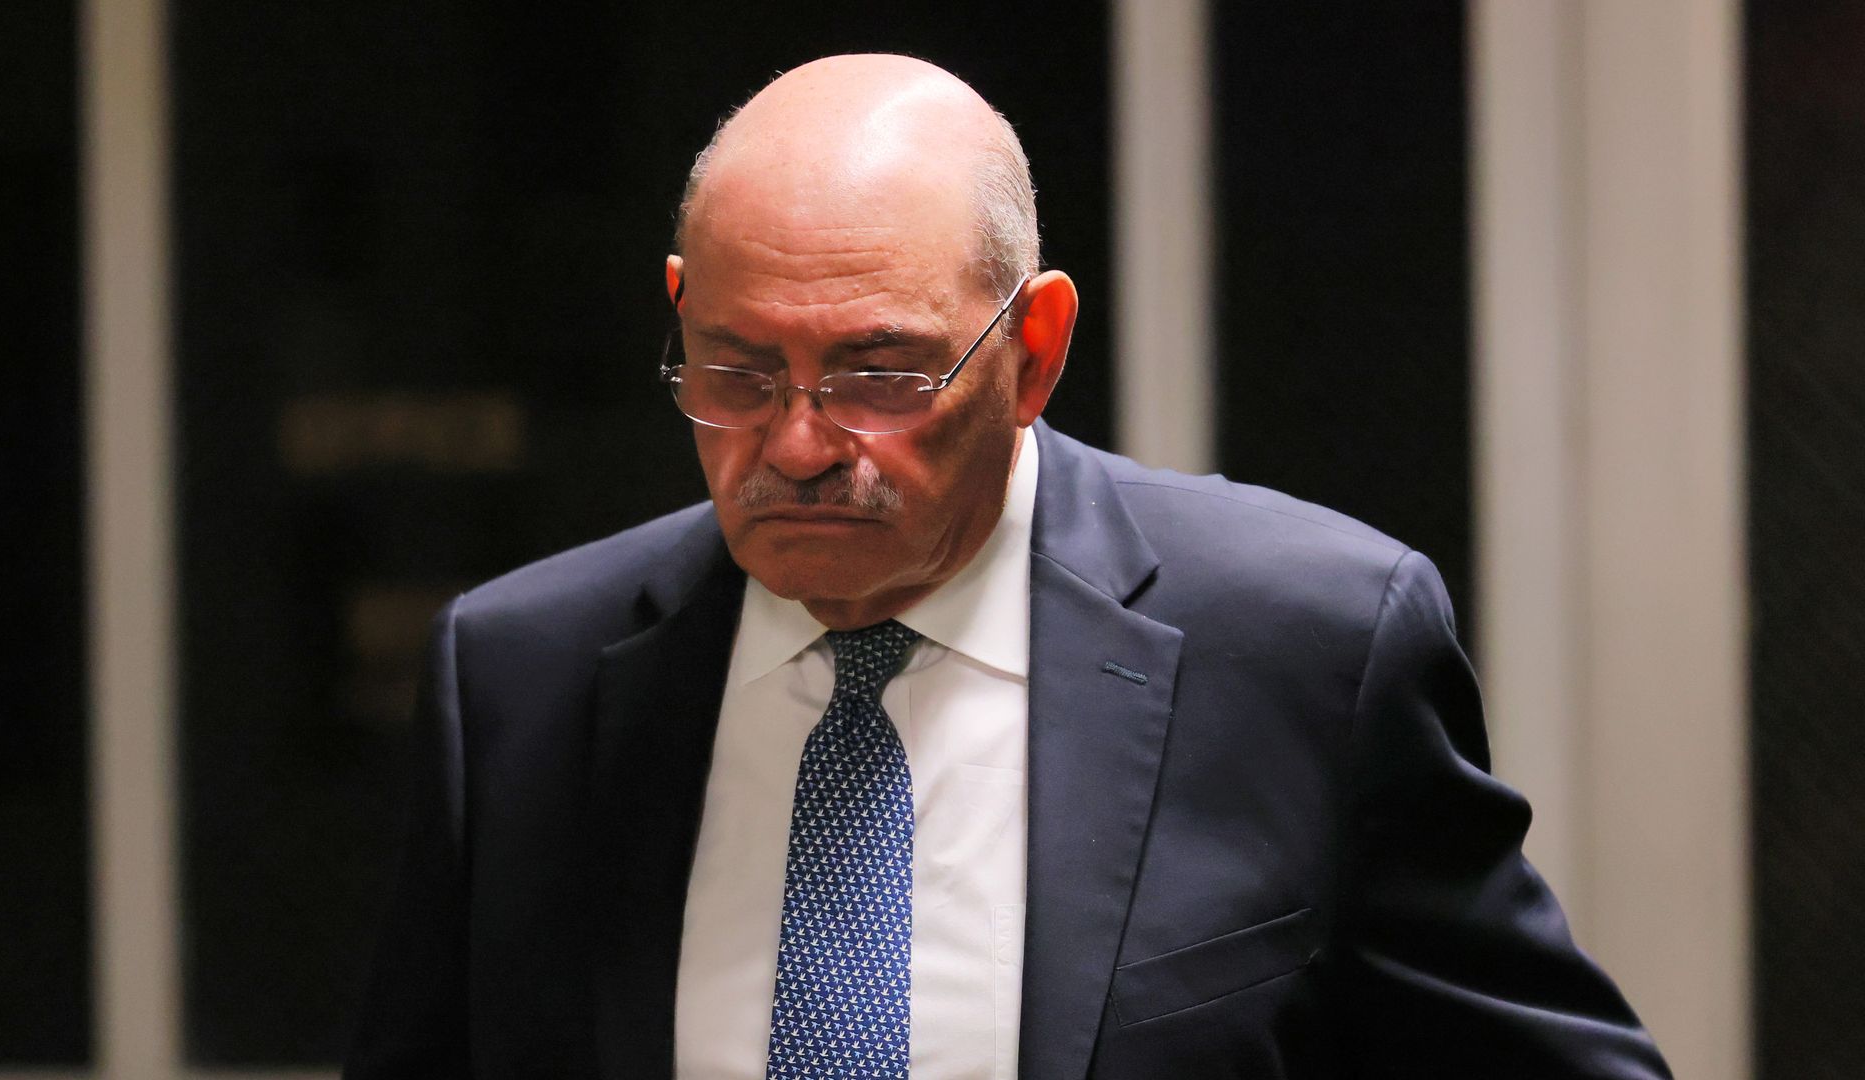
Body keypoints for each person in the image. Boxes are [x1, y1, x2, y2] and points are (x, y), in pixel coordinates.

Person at [346, 54, 1671, 1079]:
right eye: (737, 371)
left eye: (879, 373)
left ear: (1033, 353)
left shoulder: (1307, 647)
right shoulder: (522, 679)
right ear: (682, 308)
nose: (796, 443)